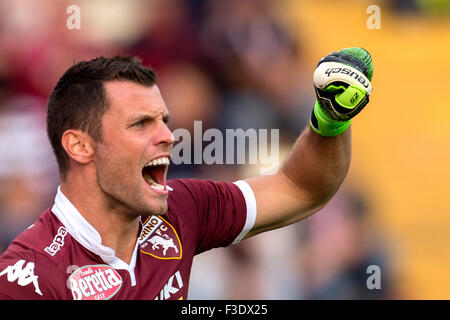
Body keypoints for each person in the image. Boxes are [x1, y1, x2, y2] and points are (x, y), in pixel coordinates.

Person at [0, 47, 374, 300]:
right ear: (79, 146)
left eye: (164, 121)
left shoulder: (182, 209)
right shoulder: (28, 277)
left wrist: (330, 118)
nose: (168, 136)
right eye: (141, 124)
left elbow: (300, 187)